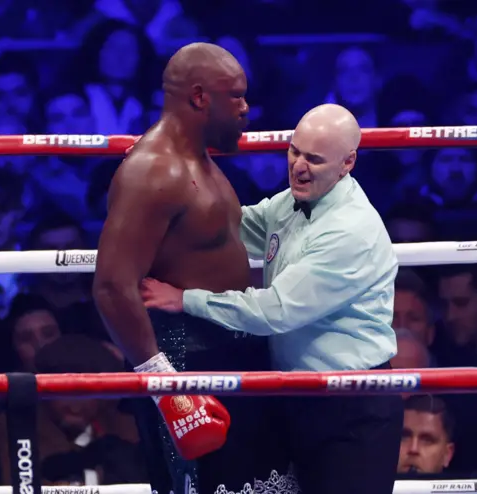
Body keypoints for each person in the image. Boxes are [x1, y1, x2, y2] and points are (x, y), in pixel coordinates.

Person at [141, 103, 403, 494]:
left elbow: (273, 311)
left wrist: (186, 300)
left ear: (348, 162)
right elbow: (235, 225)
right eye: (294, 151)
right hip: (297, 397)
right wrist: (171, 176)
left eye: (314, 159)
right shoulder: (295, 202)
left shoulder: (349, 231)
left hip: (352, 404)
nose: (298, 165)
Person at [93, 42, 284, 494]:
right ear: (199, 97)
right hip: (184, 358)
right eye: (235, 96)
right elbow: (111, 287)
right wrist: (166, 386)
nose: (245, 108)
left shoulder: (202, 161)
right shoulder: (155, 171)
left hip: (231, 348)